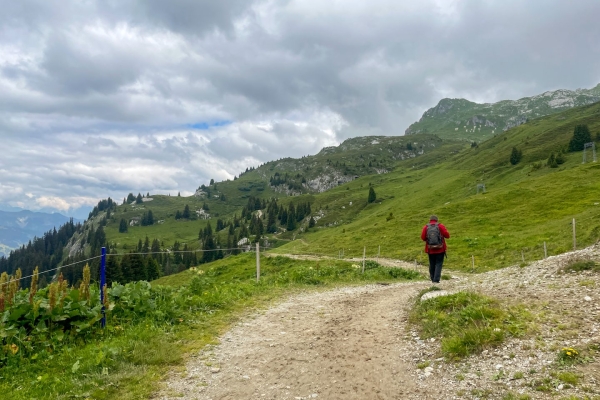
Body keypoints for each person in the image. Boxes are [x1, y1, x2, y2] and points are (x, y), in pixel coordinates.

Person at [420, 215, 450, 284]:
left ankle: (432, 278)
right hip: (440, 248)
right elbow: (447, 235)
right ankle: (436, 280)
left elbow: (423, 238)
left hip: (430, 249)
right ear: (437, 220)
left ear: (429, 220)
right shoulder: (440, 226)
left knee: (432, 263)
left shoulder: (426, 227)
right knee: (439, 263)